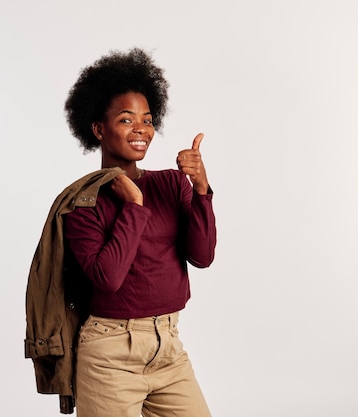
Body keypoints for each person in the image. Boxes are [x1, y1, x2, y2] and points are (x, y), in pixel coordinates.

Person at [61, 48, 217, 417]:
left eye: (147, 120)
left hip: (169, 348)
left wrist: (200, 189)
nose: (141, 130)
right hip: (109, 356)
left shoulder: (170, 184)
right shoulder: (82, 202)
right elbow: (108, 277)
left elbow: (202, 256)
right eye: (127, 119)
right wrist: (133, 205)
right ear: (98, 128)